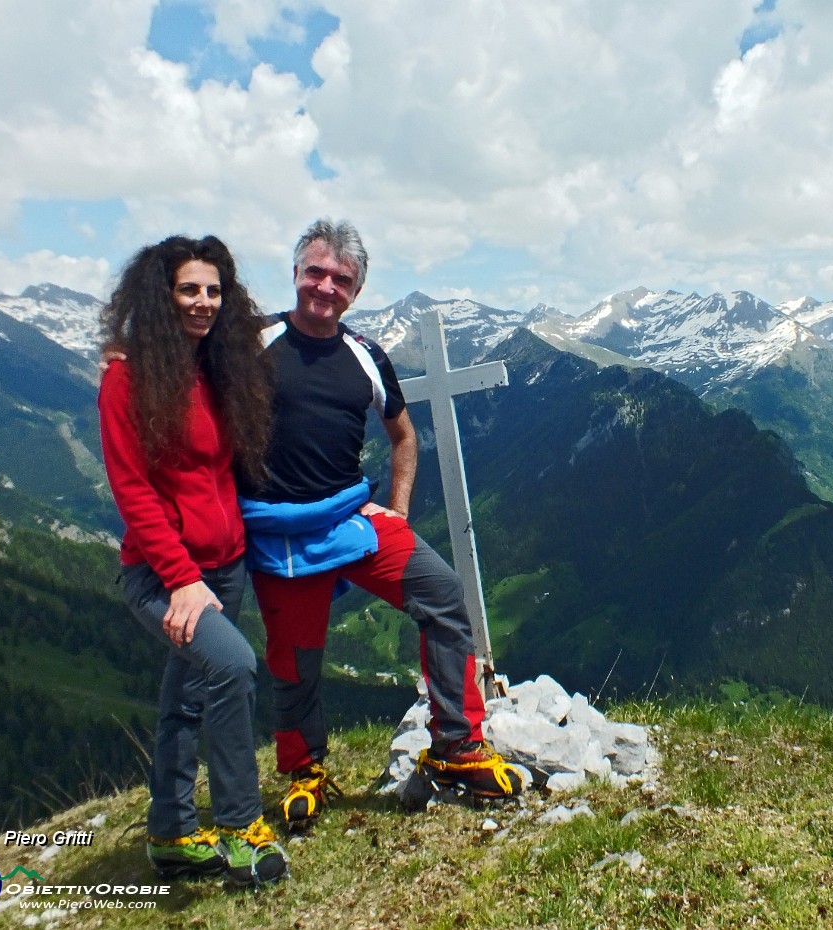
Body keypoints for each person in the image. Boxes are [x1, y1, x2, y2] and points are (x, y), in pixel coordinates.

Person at [239, 218, 523, 830]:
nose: (325, 286)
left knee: (445, 597)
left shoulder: (365, 355)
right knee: (295, 658)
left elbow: (403, 434)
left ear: (356, 290)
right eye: (315, 272)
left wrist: (394, 509)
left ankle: (456, 745)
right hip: (278, 531)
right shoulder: (249, 344)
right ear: (294, 274)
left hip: (351, 518)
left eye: (341, 279)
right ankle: (305, 771)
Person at [97, 235, 287, 886]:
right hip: (162, 573)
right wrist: (180, 580)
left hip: (226, 562)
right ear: (161, 295)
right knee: (233, 667)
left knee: (186, 698)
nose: (203, 302)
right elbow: (133, 491)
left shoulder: (216, 368)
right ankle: (239, 828)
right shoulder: (128, 379)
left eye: (213, 290)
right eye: (188, 289)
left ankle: (171, 834)